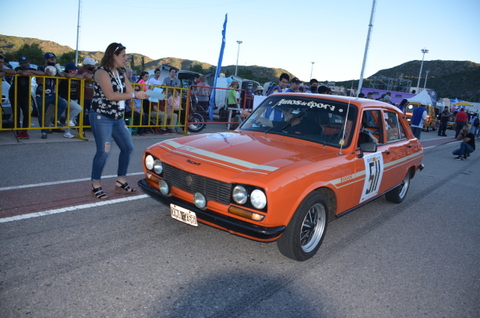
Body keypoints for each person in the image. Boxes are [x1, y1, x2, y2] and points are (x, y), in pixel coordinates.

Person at [89, 42, 149, 199]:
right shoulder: (101, 72)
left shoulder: (120, 73)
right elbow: (110, 95)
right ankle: (96, 184)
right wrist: (134, 95)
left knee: (128, 147)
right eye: (123, 55)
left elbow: (130, 91)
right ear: (113, 55)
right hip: (101, 115)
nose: (126, 58)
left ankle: (121, 181)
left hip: (117, 117)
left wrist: (142, 94)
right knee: (103, 151)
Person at [8, 56, 45, 139]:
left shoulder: (31, 68)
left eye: (27, 62)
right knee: (16, 113)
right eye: (24, 63)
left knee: (26, 113)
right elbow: (23, 73)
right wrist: (32, 73)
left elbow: (42, 73)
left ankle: (25, 131)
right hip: (15, 93)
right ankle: (18, 131)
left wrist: (31, 71)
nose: (26, 64)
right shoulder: (17, 68)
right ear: (20, 64)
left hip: (25, 94)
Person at [35, 55, 68, 139]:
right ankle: (43, 131)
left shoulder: (56, 68)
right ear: (46, 60)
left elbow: (57, 82)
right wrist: (45, 75)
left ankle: (55, 120)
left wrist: (60, 75)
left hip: (52, 94)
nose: (53, 61)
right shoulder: (40, 68)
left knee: (62, 104)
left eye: (54, 59)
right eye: (51, 59)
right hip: (41, 94)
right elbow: (38, 81)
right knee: (42, 113)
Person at [58, 62, 84, 138]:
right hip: (64, 97)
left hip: (73, 97)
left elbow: (82, 76)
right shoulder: (63, 75)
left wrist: (74, 75)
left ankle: (67, 132)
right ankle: (68, 122)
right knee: (78, 108)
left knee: (71, 115)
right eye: (73, 69)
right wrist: (72, 75)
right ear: (69, 70)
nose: (75, 71)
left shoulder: (74, 76)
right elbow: (67, 75)